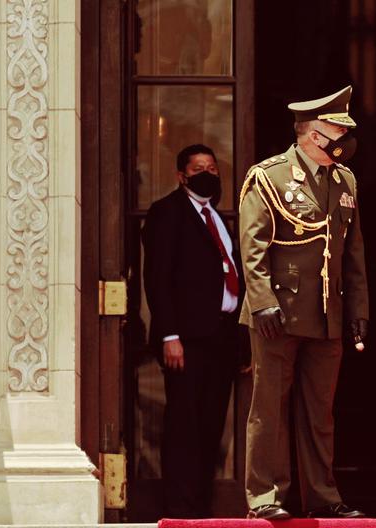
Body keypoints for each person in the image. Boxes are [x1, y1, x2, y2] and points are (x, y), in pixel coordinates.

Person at [238, 86, 369, 520]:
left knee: (319, 411)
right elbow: (252, 247)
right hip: (279, 310)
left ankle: (323, 497)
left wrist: (358, 311)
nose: (344, 140)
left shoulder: (344, 180)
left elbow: (352, 252)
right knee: (270, 407)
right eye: (337, 130)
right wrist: (260, 302)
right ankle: (265, 497)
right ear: (313, 135)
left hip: (327, 311)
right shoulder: (269, 177)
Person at [142, 144, 243, 518]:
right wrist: (169, 335)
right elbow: (158, 278)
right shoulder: (166, 212)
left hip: (220, 336)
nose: (208, 174)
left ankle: (201, 507)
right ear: (181, 175)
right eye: (199, 168)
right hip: (186, 340)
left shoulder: (217, 218)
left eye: (213, 168)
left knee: (211, 424)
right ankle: (180, 508)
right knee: (184, 424)